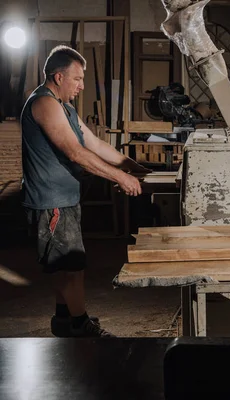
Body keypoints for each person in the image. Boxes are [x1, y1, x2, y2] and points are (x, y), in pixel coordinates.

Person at [21, 45, 148, 337]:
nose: (81, 86)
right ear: (57, 77)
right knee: (70, 265)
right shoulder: (44, 104)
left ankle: (64, 319)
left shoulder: (64, 107)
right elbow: (76, 152)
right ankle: (80, 324)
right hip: (51, 201)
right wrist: (119, 176)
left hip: (65, 199)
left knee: (68, 263)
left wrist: (133, 167)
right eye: (77, 79)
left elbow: (94, 143)